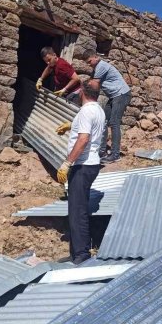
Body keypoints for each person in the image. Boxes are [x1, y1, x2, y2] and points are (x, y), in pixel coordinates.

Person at [55, 79, 105, 264]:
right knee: (78, 209)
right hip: (91, 165)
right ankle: (76, 252)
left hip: (82, 166)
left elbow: (83, 139)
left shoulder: (86, 111)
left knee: (77, 211)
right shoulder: (98, 110)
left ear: (83, 92)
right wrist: (73, 125)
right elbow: (91, 131)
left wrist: (67, 163)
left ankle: (82, 255)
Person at [87, 53, 132, 163]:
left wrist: (89, 100)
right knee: (104, 121)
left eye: (90, 61)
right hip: (114, 96)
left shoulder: (101, 66)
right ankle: (102, 151)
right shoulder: (96, 69)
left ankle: (115, 154)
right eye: (87, 63)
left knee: (114, 123)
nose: (89, 64)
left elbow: (95, 85)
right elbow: (93, 83)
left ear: (96, 57)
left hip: (121, 94)